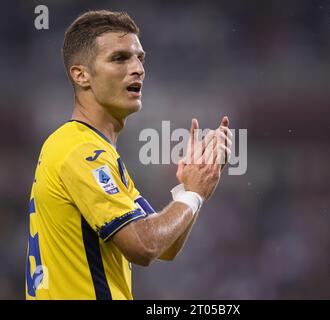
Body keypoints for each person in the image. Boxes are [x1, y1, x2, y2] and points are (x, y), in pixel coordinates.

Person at [25, 10, 232, 300]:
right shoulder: (81, 151)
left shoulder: (95, 151)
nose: (138, 68)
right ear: (81, 74)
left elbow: (165, 246)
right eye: (120, 58)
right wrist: (194, 195)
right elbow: (143, 246)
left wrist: (189, 188)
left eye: (140, 58)